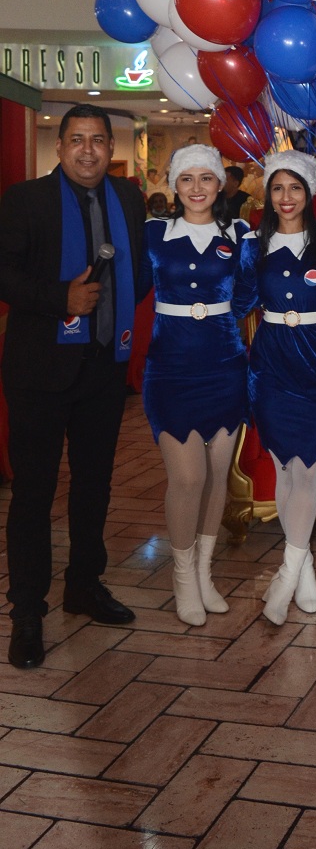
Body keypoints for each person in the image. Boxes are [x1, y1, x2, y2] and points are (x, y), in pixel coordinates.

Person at [0, 104, 146, 668]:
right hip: (39, 372)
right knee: (34, 493)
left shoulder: (129, 198)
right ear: (59, 147)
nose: (89, 150)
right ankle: (27, 611)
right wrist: (59, 298)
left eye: (99, 141)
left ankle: (84, 585)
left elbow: (139, 271)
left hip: (105, 367)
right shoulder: (26, 200)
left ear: (111, 148)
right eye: (77, 140)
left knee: (94, 485)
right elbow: (4, 272)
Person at [233, 150, 316, 625]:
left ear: (309, 193)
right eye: (278, 188)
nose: (286, 198)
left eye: (296, 188)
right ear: (268, 194)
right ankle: (301, 564)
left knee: (308, 468)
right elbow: (240, 301)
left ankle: (286, 573)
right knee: (285, 468)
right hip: (269, 363)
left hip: (315, 359)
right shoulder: (252, 244)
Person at [141, 144, 248, 626]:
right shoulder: (153, 234)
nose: (198, 188)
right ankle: (182, 575)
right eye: (188, 179)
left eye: (207, 178)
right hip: (172, 366)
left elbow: (255, 287)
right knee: (188, 478)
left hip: (225, 364)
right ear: (174, 184)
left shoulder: (240, 233)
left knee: (216, 477)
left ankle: (205, 574)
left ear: (220, 184)